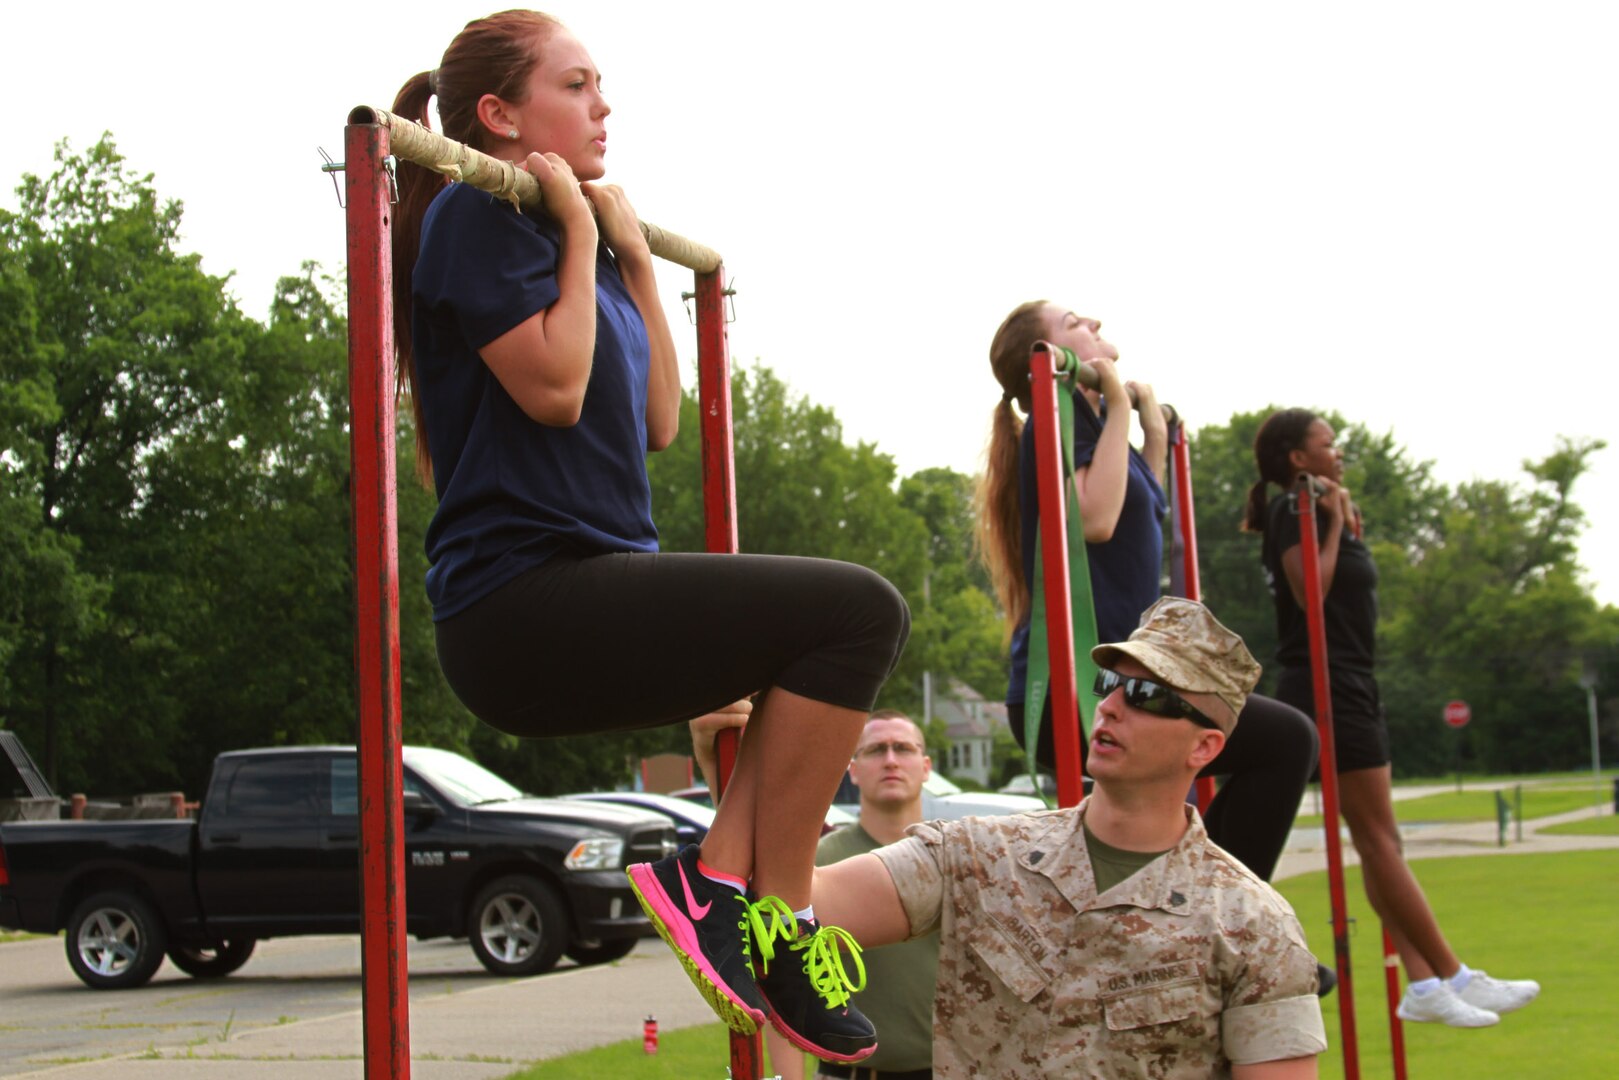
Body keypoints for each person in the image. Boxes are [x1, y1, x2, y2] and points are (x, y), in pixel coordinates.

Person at [387, 11, 909, 1062]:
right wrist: (582, 235)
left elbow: (660, 417)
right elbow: (555, 387)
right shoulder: (476, 216)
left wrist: (630, 258)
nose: (603, 105)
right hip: (520, 604)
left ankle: (748, 908)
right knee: (858, 609)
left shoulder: (564, 234)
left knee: (813, 654)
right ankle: (742, 895)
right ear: (498, 114)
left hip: (596, 585)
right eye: (575, 85)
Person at [808, 598, 1329, 1078]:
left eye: (1147, 694)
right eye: (1109, 683)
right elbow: (797, 902)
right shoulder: (981, 855)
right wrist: (739, 752)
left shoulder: (1254, 927)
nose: (1109, 707)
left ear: (1205, 747)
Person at [977, 302, 1320, 890]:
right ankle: (1224, 915)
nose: (1097, 325)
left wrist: (1152, 435)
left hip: (1127, 678)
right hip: (1078, 685)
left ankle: (1212, 917)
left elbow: (1146, 513)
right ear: (1052, 358)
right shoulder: (1052, 422)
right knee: (1286, 741)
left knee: (1276, 747)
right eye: (1076, 323)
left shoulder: (1085, 427)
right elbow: (1098, 518)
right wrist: (1115, 403)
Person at [1247, 409, 1540, 1027]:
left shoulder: (1325, 507)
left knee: (1381, 842)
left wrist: (1340, 515)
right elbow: (1312, 595)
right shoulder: (1290, 511)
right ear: (1299, 458)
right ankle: (1452, 972)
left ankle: (1426, 983)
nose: (1339, 451)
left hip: (1353, 678)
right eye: (1328, 443)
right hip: (1324, 682)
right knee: (1380, 839)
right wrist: (1328, 524)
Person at [696, 710, 940, 1080]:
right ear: (853, 769)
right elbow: (778, 977)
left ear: (926, 767)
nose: (890, 760)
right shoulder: (815, 861)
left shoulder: (954, 859)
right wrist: (711, 755)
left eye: (902, 748)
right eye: (875, 750)